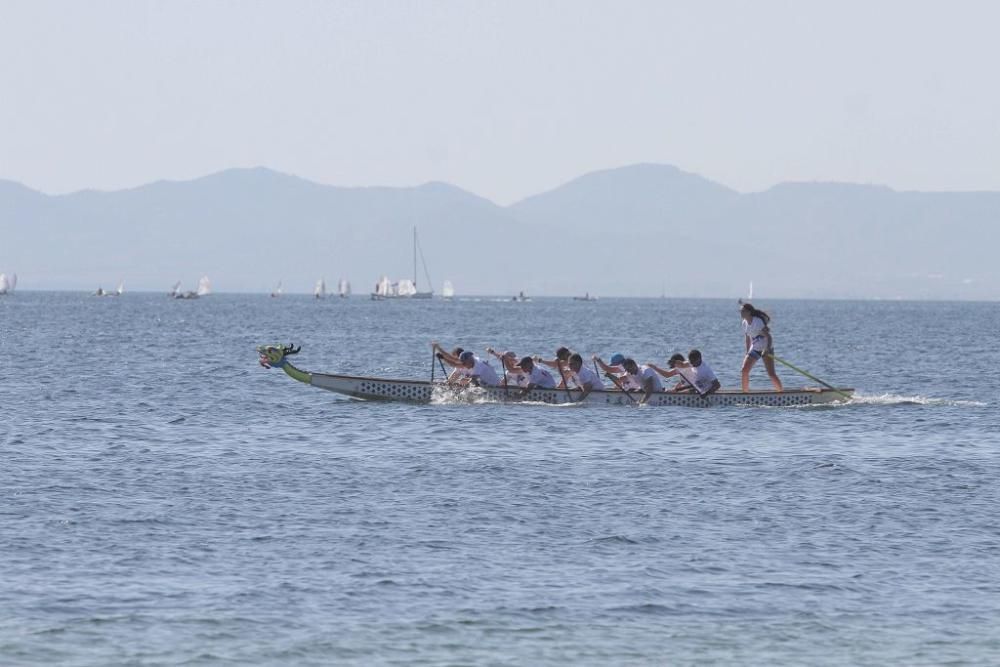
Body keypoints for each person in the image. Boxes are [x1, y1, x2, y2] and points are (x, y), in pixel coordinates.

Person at [740, 302, 783, 392]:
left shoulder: (757, 322)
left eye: (743, 311)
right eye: (740, 311)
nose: (741, 313)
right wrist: (747, 352)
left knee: (771, 373)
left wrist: (766, 349)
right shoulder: (744, 323)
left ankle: (781, 392)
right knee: (744, 370)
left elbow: (769, 337)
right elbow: (747, 338)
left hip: (766, 348)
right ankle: (745, 393)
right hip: (755, 348)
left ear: (749, 312)